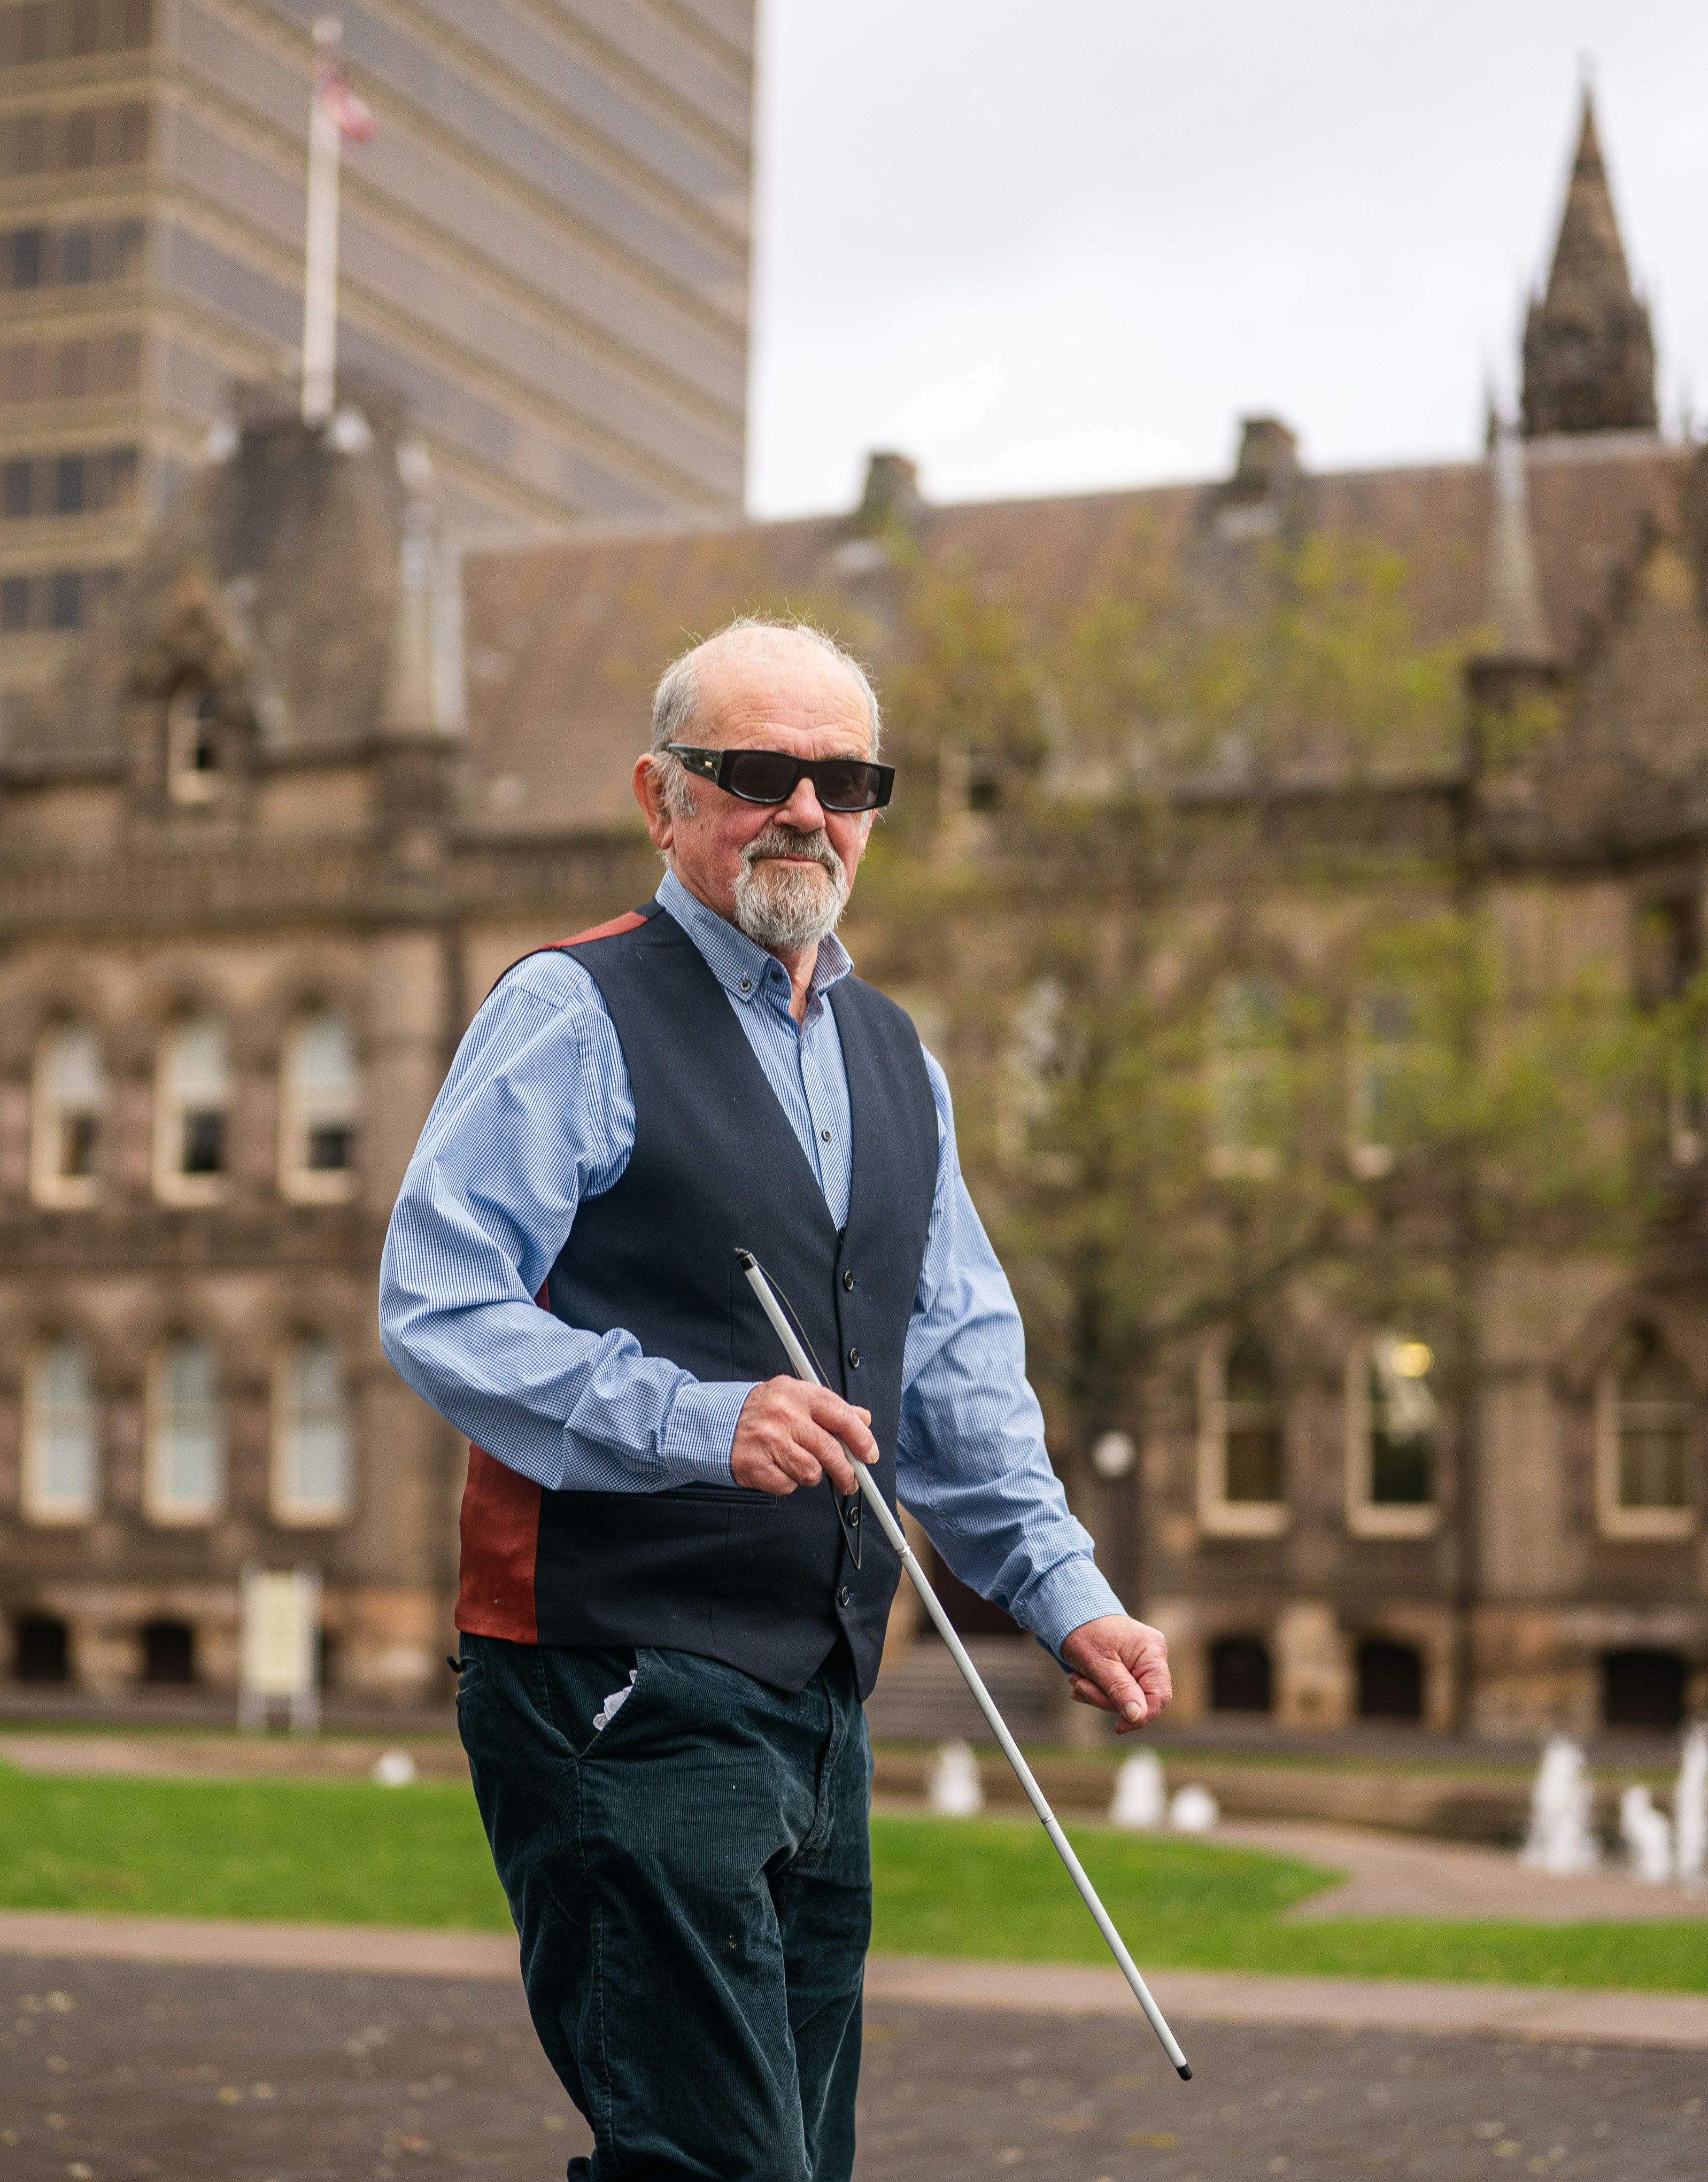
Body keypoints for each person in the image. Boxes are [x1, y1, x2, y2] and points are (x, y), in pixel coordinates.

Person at [378, 614, 1172, 2181]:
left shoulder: (895, 1057)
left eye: (845, 777)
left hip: (817, 1697)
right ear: (662, 799)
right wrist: (697, 1415)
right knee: (714, 2164)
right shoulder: (569, 1011)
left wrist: (1062, 1592)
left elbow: (954, 1363)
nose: (805, 809)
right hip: (611, 1679)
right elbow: (437, 1303)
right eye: (756, 771)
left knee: (795, 2160)